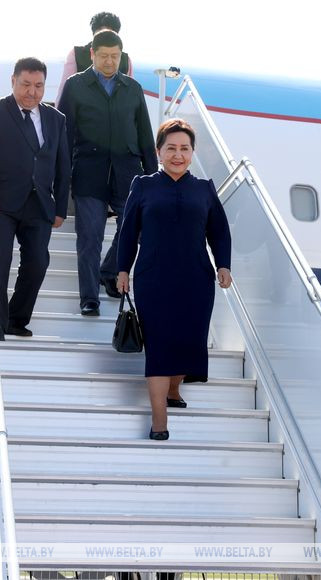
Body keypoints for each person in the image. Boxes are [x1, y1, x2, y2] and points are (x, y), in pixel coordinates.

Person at [116, 119, 232, 440]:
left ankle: (173, 387)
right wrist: (123, 269)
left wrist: (223, 265)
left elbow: (219, 232)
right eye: (171, 148)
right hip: (153, 278)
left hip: (196, 278)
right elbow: (128, 232)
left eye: (184, 148)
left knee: (188, 340)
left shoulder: (204, 189)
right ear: (159, 152)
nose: (178, 155)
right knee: (159, 345)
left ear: (192, 152)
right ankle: (159, 420)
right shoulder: (143, 186)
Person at [57, 30, 157, 317]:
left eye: (115, 56)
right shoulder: (76, 86)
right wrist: (60, 178)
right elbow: (64, 136)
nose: (110, 62)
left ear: (121, 56)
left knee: (134, 227)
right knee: (90, 237)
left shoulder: (133, 88)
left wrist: (153, 177)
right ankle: (89, 298)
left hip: (128, 172)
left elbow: (145, 136)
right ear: (92, 55)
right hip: (89, 172)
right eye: (104, 56)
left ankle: (109, 270)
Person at [0, 57, 70, 341]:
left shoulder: (56, 119)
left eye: (39, 86)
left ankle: (16, 319)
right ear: (13, 81)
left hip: (39, 203)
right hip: (0, 203)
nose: (32, 91)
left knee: (38, 263)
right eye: (26, 84)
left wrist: (60, 206)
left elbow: (63, 165)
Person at [55, 11, 133, 104]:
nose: (104, 37)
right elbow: (64, 91)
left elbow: (130, 94)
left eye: (109, 32)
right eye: (100, 31)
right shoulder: (76, 54)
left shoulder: (125, 59)